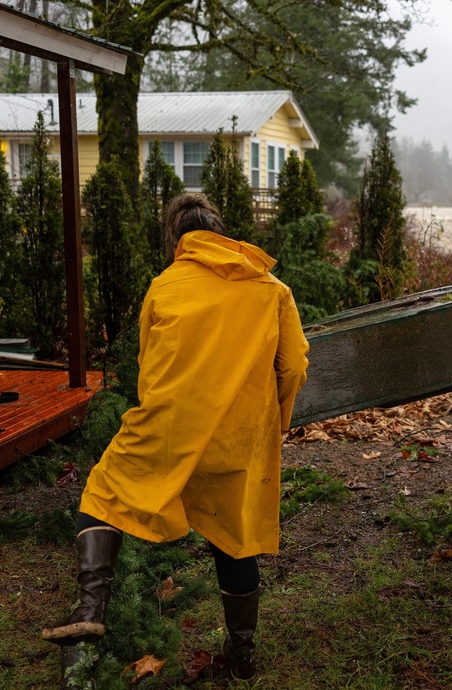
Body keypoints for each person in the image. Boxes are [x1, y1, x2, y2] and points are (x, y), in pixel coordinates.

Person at [40, 193, 309, 681]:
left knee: (103, 492)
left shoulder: (164, 287)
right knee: (235, 534)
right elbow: (292, 367)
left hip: (167, 433)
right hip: (235, 439)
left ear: (177, 240)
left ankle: (87, 620)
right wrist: (271, 421)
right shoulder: (272, 290)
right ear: (221, 232)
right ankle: (243, 657)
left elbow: (149, 372)